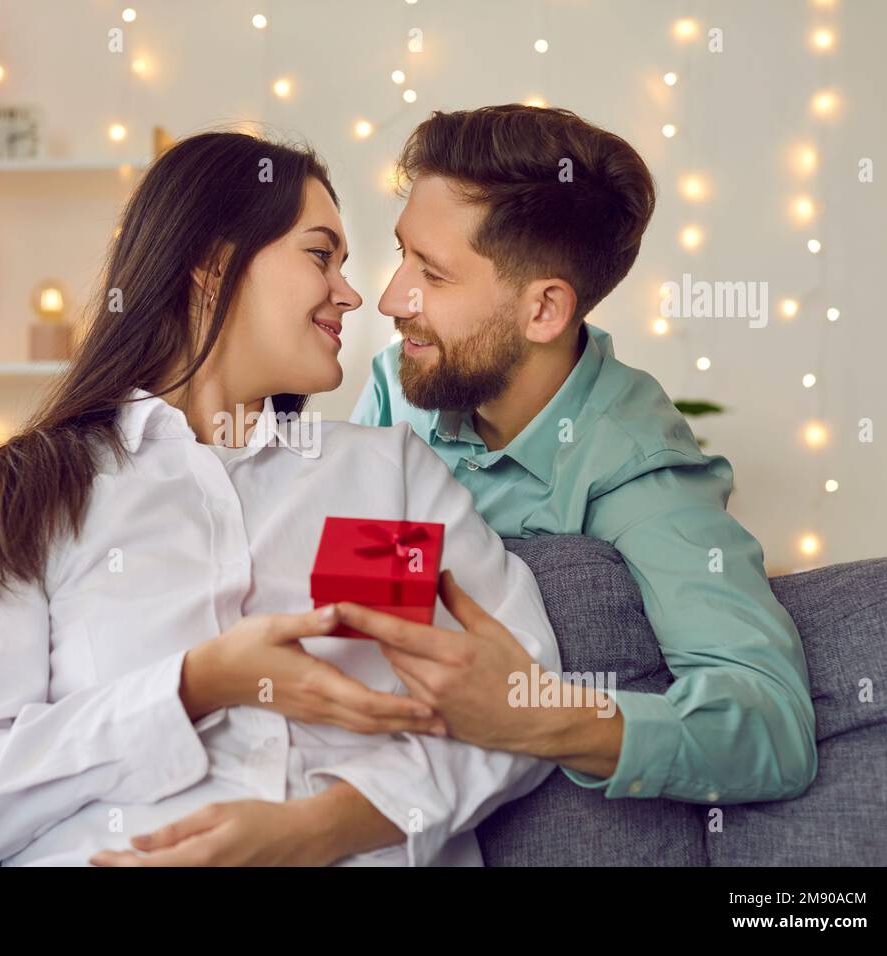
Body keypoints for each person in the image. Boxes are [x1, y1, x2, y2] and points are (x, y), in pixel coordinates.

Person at [0, 131, 561, 867]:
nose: (352, 293)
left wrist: (324, 827)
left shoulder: (381, 480)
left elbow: (525, 704)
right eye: (319, 254)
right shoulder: (36, 491)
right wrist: (193, 685)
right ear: (213, 265)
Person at [349, 105, 818, 805]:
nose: (390, 298)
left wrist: (537, 718)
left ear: (544, 311)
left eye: (433, 274)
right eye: (402, 254)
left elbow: (771, 726)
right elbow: (349, 599)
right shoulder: (400, 385)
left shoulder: (634, 465)